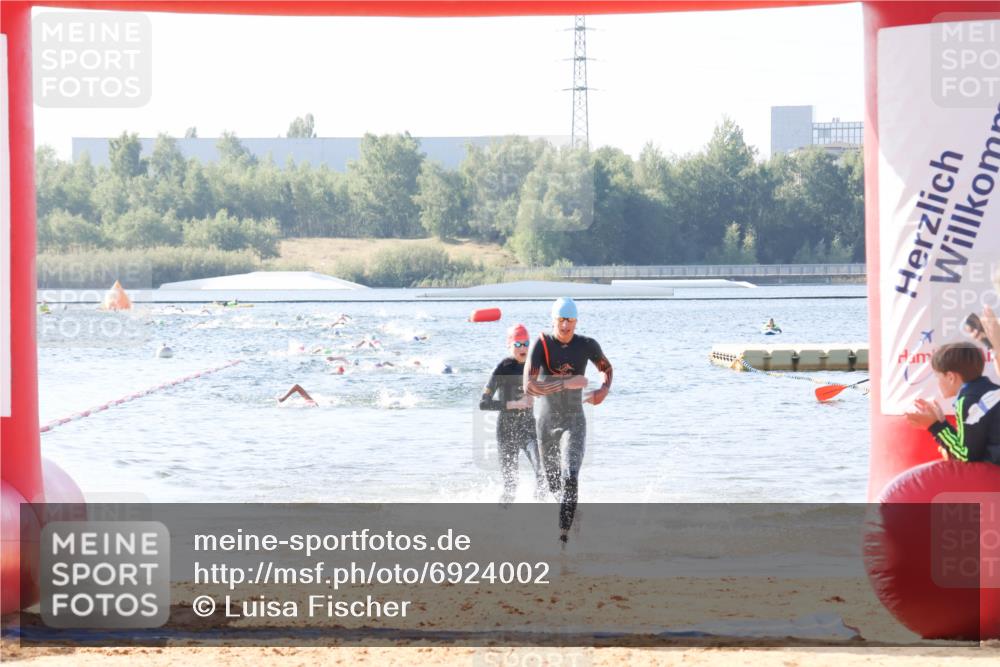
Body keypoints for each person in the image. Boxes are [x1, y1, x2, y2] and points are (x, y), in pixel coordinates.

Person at [524, 297, 613, 544]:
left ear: (576, 322)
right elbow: (529, 386)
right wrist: (567, 382)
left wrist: (604, 390)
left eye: (570, 321)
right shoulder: (541, 344)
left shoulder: (587, 345)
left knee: (571, 476)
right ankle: (573, 516)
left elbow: (606, 368)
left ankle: (563, 539)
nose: (565, 326)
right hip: (546, 423)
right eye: (561, 320)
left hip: (574, 421)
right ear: (553, 320)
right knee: (554, 485)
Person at [480, 324, 545, 504]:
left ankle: (541, 511)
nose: (523, 348)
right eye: (517, 344)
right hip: (506, 432)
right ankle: (500, 517)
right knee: (511, 486)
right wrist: (515, 404)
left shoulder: (535, 367)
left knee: (542, 472)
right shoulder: (502, 368)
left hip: (528, 429)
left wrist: (537, 393)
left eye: (526, 343)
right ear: (509, 345)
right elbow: (483, 403)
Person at [905, 342, 1000, 464]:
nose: (937, 382)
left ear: (950, 377)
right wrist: (943, 423)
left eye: (937, 376)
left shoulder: (967, 401)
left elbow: (965, 457)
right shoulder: (993, 390)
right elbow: (971, 447)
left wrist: (934, 426)